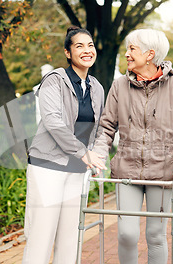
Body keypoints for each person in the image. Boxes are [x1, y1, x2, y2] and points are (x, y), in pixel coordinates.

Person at [90, 29, 173, 263]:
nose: (127, 54)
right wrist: (98, 154)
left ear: (150, 54)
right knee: (127, 234)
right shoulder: (119, 86)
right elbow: (107, 126)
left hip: (162, 172)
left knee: (156, 235)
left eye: (132, 49)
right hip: (126, 170)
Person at [22, 26, 106, 264]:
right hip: (47, 167)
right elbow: (53, 122)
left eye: (90, 45)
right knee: (41, 236)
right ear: (68, 53)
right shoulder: (54, 80)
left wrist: (97, 157)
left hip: (77, 170)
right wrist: (83, 152)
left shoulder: (97, 87)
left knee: (71, 239)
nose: (86, 50)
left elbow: (101, 128)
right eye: (79, 46)